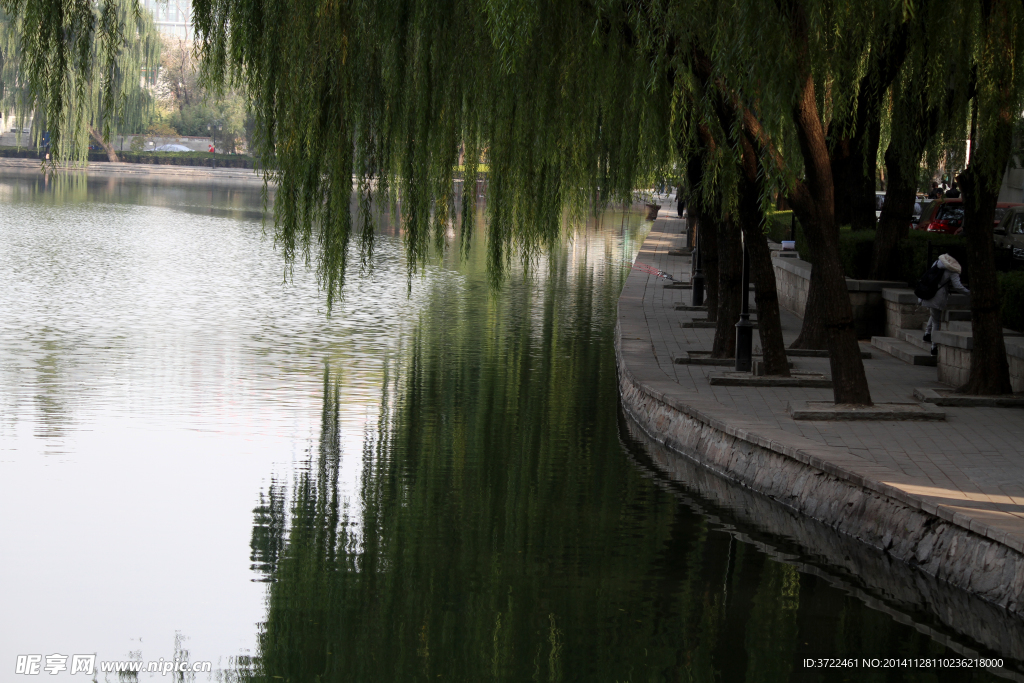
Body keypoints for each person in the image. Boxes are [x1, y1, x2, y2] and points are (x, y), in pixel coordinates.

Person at [919, 253, 969, 355]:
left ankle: (927, 334)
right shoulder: (952, 270)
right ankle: (934, 347)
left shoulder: (938, 262)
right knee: (937, 321)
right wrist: (969, 293)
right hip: (938, 296)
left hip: (928, 291)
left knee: (934, 314)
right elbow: (958, 286)